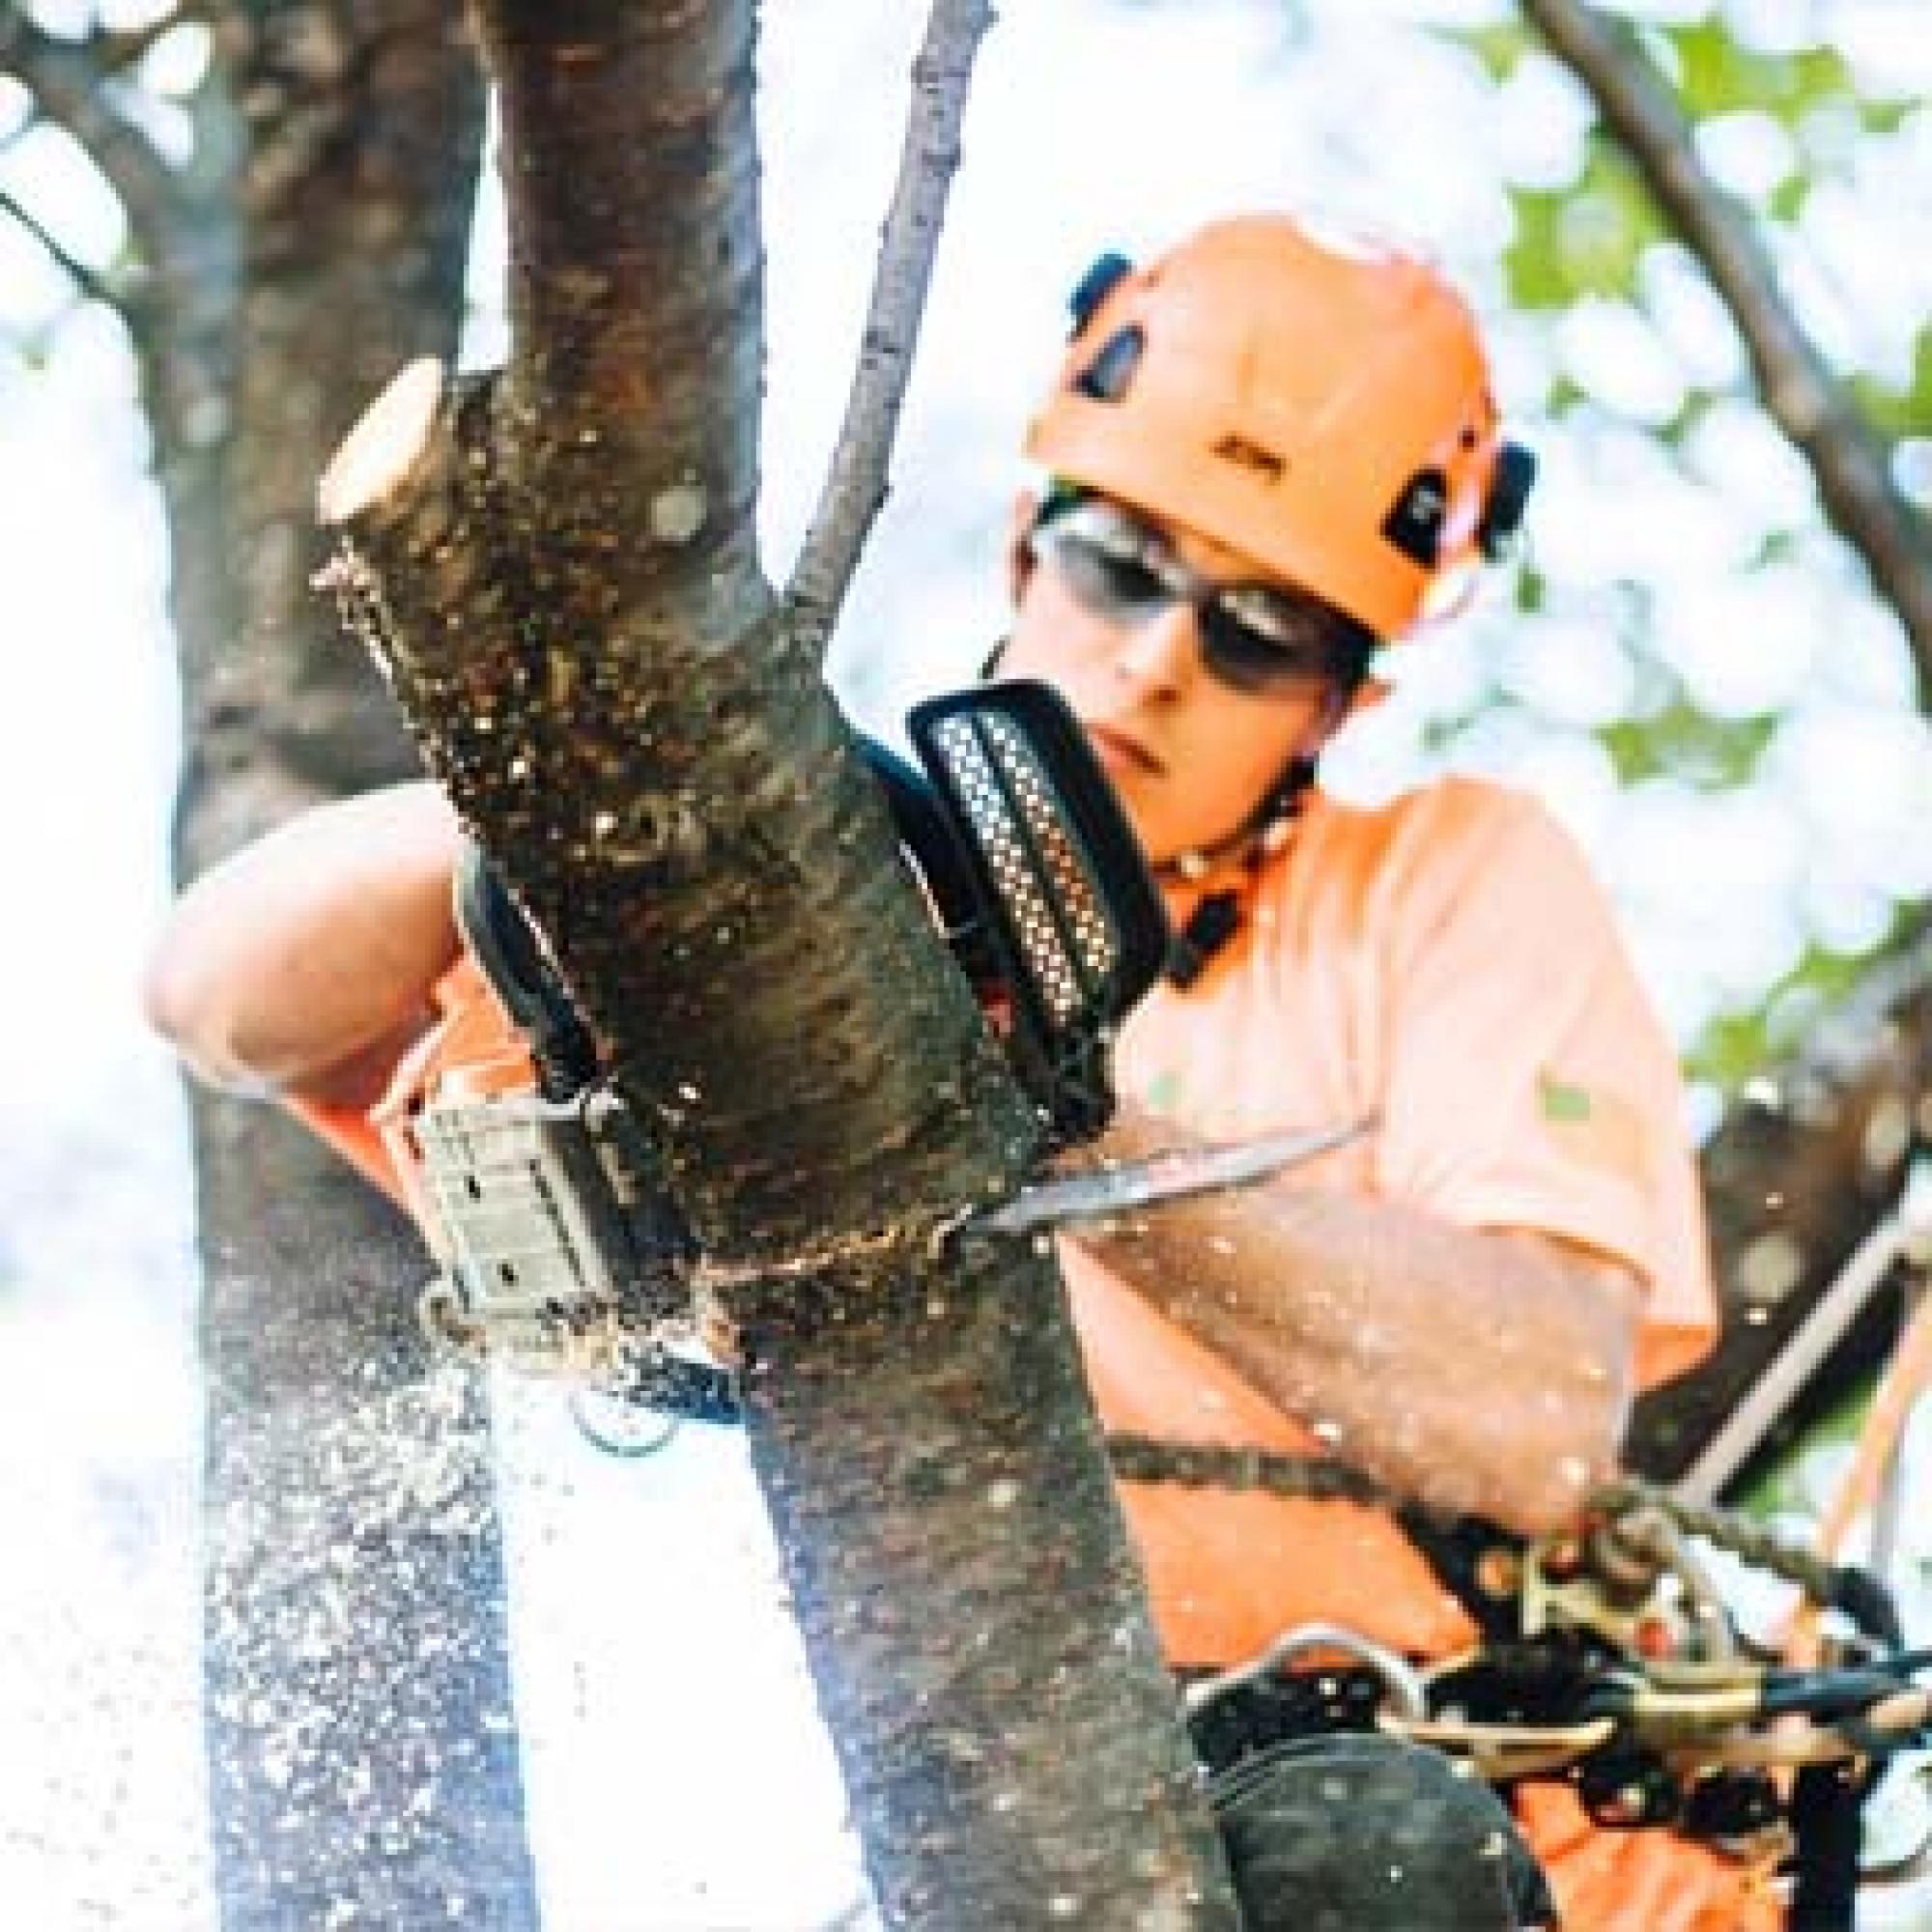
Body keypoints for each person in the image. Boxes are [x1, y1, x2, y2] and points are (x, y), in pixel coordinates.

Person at [145, 213, 1773, 1929]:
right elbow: (222, 994)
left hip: (1474, 1835)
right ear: (1025, 546)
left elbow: (1532, 1423)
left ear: (1339, 701)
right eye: (1123, 564)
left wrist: (1055, 1106)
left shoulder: (1440, 887)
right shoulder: (809, 912)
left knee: (1359, 1865)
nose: (1157, 659)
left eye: (1260, 630)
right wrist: (587, 812)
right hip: (1008, 1818)